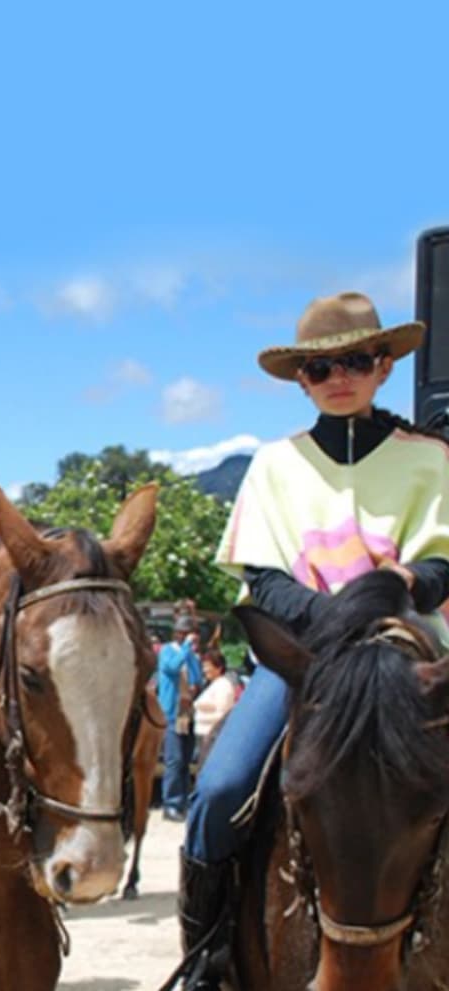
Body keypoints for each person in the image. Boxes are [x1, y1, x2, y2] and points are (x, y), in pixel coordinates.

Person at [175, 292, 449, 989]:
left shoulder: (433, 459)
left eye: (356, 359)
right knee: (220, 786)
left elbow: (443, 564)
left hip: (408, 657)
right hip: (306, 662)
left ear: (383, 366)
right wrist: (334, 623)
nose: (339, 375)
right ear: (302, 378)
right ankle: (209, 954)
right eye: (322, 365)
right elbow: (263, 579)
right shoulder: (274, 466)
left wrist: (405, 584)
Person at [157, 613, 202, 822]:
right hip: (172, 712)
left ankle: (184, 801)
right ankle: (171, 804)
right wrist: (185, 649)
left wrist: (192, 656)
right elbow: (172, 668)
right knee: (174, 760)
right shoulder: (167, 651)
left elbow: (196, 677)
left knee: (185, 759)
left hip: (187, 712)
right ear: (178, 634)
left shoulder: (190, 655)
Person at [192, 648, 238, 743]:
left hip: (212, 737)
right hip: (203, 735)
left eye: (207, 666)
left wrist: (198, 717)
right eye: (203, 666)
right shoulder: (212, 685)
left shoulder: (224, 685)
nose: (204, 670)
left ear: (219, 667)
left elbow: (222, 715)